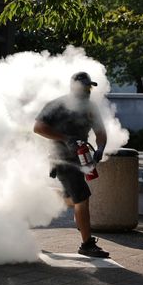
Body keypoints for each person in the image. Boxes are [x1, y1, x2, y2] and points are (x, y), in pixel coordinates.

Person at [34, 71, 109, 258]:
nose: (87, 90)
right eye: (84, 87)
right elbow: (38, 128)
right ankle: (87, 244)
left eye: (89, 87)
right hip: (61, 158)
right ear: (73, 87)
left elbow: (101, 132)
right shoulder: (57, 105)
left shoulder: (90, 107)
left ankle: (39, 199)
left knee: (74, 198)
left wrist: (100, 149)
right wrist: (66, 138)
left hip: (80, 157)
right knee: (82, 197)